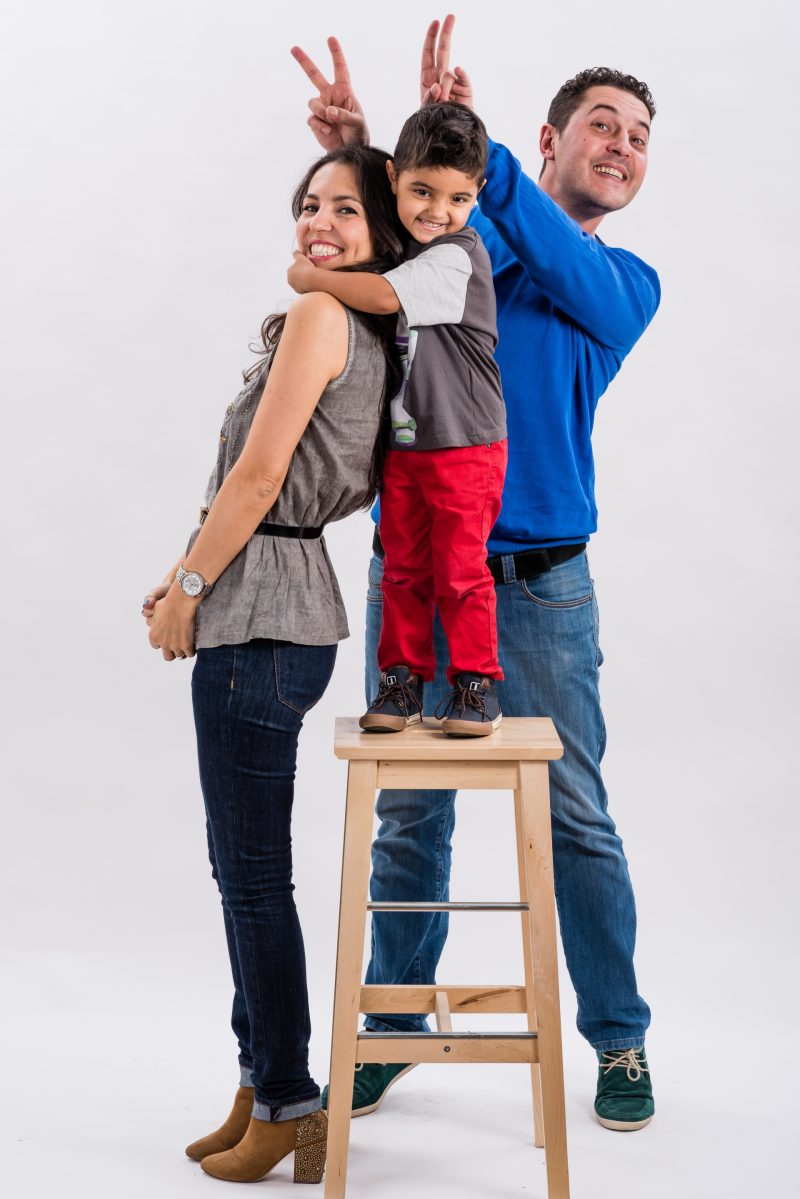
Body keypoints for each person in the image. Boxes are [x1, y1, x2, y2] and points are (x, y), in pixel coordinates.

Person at [293, 17, 660, 1134]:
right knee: (409, 813)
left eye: (639, 136)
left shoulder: (621, 282)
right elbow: (387, 250)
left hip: (542, 590)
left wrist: (478, 155)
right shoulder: (457, 235)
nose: (622, 144)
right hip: (414, 566)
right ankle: (393, 1027)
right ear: (547, 141)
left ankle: (619, 1035)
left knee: (576, 812)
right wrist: (378, 153)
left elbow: (555, 266)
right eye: (601, 124)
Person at [143, 144, 405, 1184]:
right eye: (308, 204)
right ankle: (260, 1081)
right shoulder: (368, 327)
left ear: (382, 234)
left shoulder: (318, 315)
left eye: (345, 209)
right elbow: (257, 488)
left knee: (251, 878)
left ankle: (292, 1098)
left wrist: (193, 588)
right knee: (243, 870)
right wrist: (181, 579)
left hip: (261, 619)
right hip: (283, 610)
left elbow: (257, 478)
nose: (317, 222)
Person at [287, 101, 507, 737]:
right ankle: (401, 679)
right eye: (422, 192)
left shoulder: (458, 255)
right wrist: (358, 142)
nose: (437, 211)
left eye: (459, 198)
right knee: (402, 568)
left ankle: (475, 684)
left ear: (478, 194)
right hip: (407, 445)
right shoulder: (406, 242)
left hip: (466, 444)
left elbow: (384, 295)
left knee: (460, 570)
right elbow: (373, 223)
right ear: (395, 182)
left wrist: (308, 277)